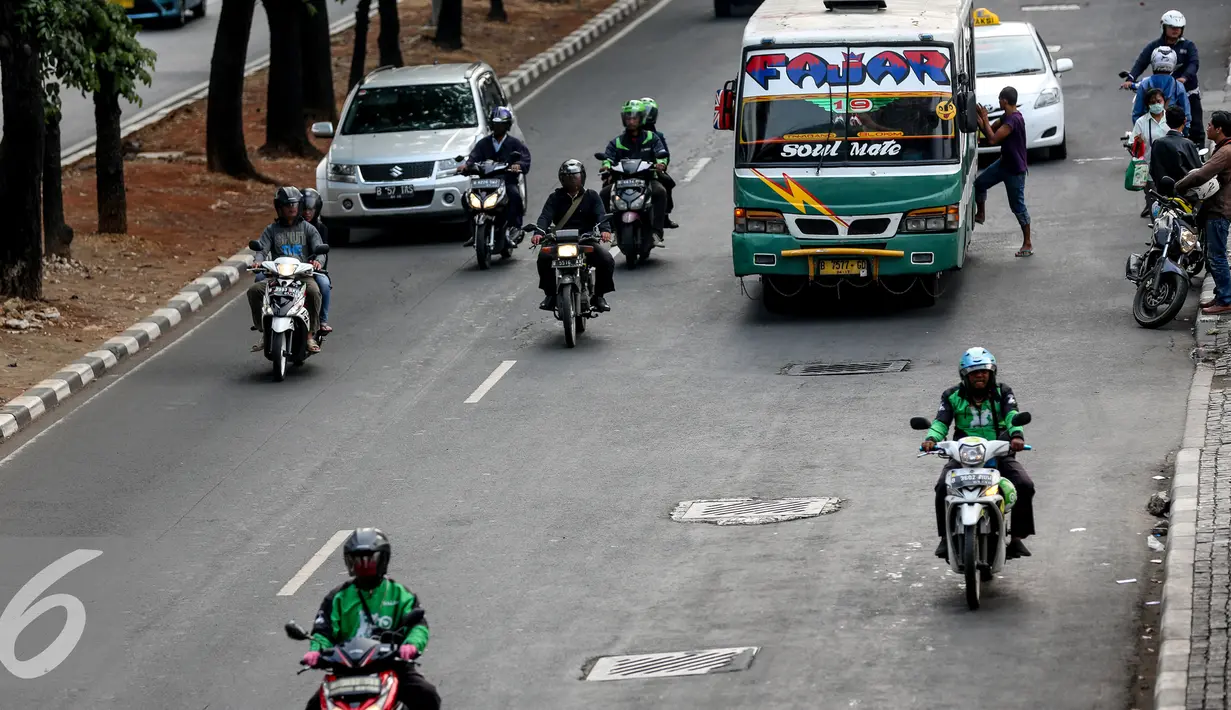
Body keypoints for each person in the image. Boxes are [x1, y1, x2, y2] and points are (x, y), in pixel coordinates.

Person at [301, 528, 441, 710]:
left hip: (393, 665)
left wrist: (411, 646)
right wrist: (316, 651)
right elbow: (323, 632)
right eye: (358, 560)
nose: (364, 565)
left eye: (369, 560)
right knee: (314, 706)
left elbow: (418, 626)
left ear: (382, 560)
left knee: (427, 695)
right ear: (349, 562)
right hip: (345, 670)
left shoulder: (400, 594)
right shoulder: (337, 598)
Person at [920, 347, 1036, 560]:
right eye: (974, 372)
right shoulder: (951, 395)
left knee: (1024, 485)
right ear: (965, 375)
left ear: (992, 373)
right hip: (963, 455)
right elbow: (941, 421)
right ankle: (945, 538)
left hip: (998, 450)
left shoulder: (1003, 392)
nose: (980, 375)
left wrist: (1016, 435)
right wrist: (931, 439)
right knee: (941, 487)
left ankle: (1018, 538)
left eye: (984, 371)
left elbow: (1012, 415)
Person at [530, 159, 616, 313]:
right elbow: (545, 217)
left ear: (582, 177)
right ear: (562, 179)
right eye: (568, 177)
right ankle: (550, 295)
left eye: (575, 176)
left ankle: (599, 296)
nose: (572, 180)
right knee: (543, 258)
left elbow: (601, 215)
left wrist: (605, 230)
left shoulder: (592, 196)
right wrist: (539, 232)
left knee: (606, 259)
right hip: (559, 240)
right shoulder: (555, 198)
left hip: (585, 239)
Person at [248, 187, 325, 353]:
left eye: (295, 204)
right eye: (287, 204)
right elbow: (261, 250)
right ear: (279, 207)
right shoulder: (271, 230)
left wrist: (318, 262)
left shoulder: (308, 229)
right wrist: (258, 261)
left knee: (314, 292)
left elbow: (319, 249)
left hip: (302, 276)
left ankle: (310, 335)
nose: (292, 208)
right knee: (254, 290)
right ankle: (264, 330)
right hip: (276, 276)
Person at [1122, 10, 1203, 146]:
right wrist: (1130, 79)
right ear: (1164, 27)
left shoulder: (1188, 46)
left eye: (1178, 28)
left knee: (1194, 122)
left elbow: (1193, 64)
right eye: (1172, 27)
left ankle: (1197, 153)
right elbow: (1141, 62)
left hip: (1186, 89)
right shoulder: (1154, 47)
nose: (1175, 30)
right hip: (1161, 89)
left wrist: (1184, 78)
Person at [1178, 111, 1231, 315]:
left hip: (1219, 210)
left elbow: (1202, 174)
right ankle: (1220, 295)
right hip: (1217, 208)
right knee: (1213, 255)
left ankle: (1226, 299)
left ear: (1219, 129)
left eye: (1210, 125)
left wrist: (1179, 186)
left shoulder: (1225, 152)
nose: (1206, 127)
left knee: (1216, 256)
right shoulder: (1222, 148)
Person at [601, 99, 670, 244]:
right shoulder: (617, 141)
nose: (631, 121)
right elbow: (608, 157)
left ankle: (657, 232)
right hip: (621, 180)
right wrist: (606, 165)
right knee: (604, 194)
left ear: (641, 118)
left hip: (647, 179)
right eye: (628, 118)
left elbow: (661, 152)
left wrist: (660, 164)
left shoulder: (652, 138)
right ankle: (612, 230)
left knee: (661, 192)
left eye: (634, 118)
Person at [461, 106, 531, 248]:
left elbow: (525, 159)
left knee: (515, 196)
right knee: (466, 198)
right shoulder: (483, 143)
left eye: (501, 124)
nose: (498, 127)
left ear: (507, 125)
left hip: (506, 182)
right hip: (484, 183)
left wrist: (518, 165)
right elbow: (473, 157)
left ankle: (514, 228)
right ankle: (473, 232)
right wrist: (466, 166)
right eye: (495, 124)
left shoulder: (514, 143)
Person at [974, 87, 1032, 257]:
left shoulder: (1013, 120)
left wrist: (984, 118)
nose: (998, 102)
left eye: (1000, 99)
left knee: (1018, 207)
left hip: (1015, 170)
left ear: (1005, 101)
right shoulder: (1006, 116)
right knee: (980, 184)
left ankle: (1027, 243)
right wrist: (980, 121)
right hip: (1004, 164)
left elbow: (992, 139)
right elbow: (989, 131)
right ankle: (981, 214)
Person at [1128, 46, 1191, 133]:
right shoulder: (1178, 86)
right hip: (1173, 133)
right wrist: (1185, 132)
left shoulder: (1145, 84)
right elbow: (1186, 114)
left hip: (1148, 132)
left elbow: (1137, 113)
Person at [639, 97, 679, 230]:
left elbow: (665, 154)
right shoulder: (627, 135)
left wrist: (660, 165)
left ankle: (665, 216)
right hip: (630, 171)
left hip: (650, 171)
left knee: (667, 184)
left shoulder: (657, 136)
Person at [1130, 89, 1170, 216]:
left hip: (1170, 166)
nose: (1156, 104)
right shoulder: (1141, 122)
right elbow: (1133, 145)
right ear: (1147, 105)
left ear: (1164, 101)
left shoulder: (1171, 118)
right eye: (1152, 102)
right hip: (1149, 168)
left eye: (1158, 101)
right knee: (1155, 201)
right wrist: (1137, 143)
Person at [299, 187, 333, 334]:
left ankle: (323, 320)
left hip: (314, 269)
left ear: (317, 210)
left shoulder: (321, 229)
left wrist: (317, 263)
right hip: (291, 268)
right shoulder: (291, 227)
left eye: (311, 210)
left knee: (324, 284)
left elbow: (323, 252)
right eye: (304, 209)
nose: (307, 213)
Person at [1149, 105, 1203, 194]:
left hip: (1162, 193)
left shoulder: (1157, 143)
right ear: (1185, 121)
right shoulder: (1188, 144)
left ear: (1166, 122)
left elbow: (1153, 169)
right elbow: (1197, 170)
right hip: (1185, 194)